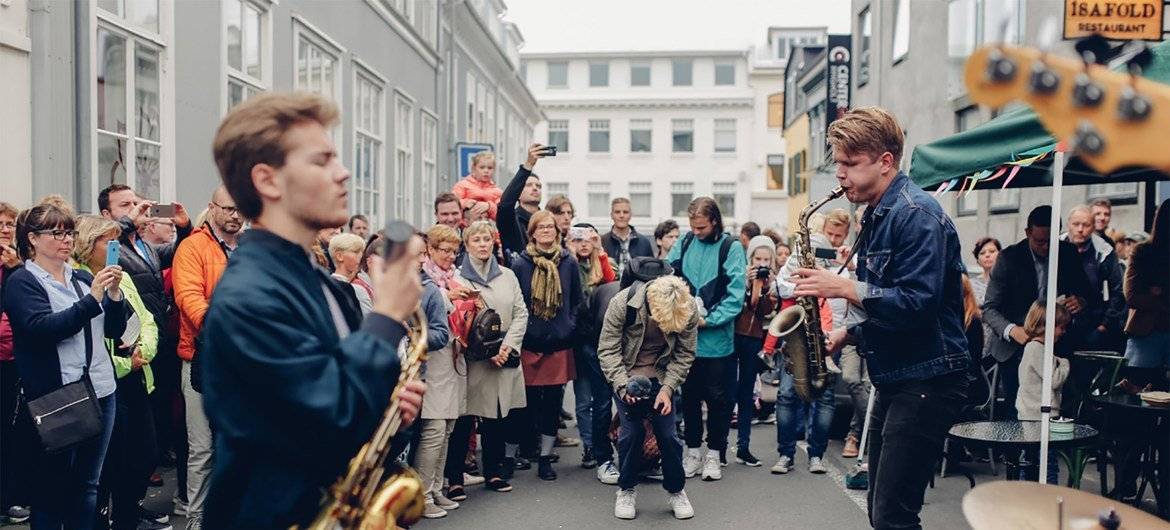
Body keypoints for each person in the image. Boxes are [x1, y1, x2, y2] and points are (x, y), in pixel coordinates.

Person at [199, 92, 425, 529]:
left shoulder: (316, 278)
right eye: (321, 162)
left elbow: (337, 397)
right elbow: (328, 417)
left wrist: (389, 407)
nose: (343, 174)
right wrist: (385, 319)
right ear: (268, 181)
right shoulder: (249, 295)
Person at [789, 107, 970, 530]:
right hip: (901, 375)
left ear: (885, 162)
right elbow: (888, 306)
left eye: (850, 163)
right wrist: (847, 334)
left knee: (893, 515)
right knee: (882, 510)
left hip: (928, 379)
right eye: (838, 162)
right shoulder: (878, 213)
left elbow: (917, 302)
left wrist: (844, 287)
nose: (839, 174)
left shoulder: (916, 214)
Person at [5, 203, 126, 530]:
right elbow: (42, 330)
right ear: (32, 238)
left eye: (69, 232)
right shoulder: (23, 281)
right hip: (58, 395)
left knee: (88, 485)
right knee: (51, 488)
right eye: (56, 233)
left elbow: (115, 332)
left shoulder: (82, 277)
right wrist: (92, 300)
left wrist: (114, 295)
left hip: (101, 389)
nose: (66, 240)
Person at [99, 184, 191, 506]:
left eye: (138, 203)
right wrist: (128, 223)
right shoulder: (109, 248)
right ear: (107, 215)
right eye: (126, 205)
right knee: (128, 445)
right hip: (125, 349)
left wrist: (184, 225)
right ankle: (122, 509)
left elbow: (177, 252)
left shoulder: (144, 246)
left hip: (153, 342)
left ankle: (133, 506)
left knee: (151, 434)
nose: (136, 209)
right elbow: (98, 241)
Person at [73, 216, 166, 530]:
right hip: (108, 381)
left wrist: (146, 350)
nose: (114, 247)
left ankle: (127, 516)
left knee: (146, 454)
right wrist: (127, 361)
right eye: (107, 241)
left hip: (138, 376)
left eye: (116, 240)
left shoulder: (121, 276)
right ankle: (103, 519)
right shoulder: (80, 278)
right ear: (88, 244)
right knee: (111, 463)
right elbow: (94, 337)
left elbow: (147, 318)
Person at [597, 274, 697, 520]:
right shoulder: (623, 303)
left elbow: (684, 354)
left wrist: (668, 389)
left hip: (662, 376)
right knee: (632, 434)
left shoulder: (688, 308)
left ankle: (676, 490)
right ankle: (626, 489)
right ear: (653, 307)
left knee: (668, 435)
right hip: (627, 373)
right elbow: (607, 350)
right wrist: (622, 386)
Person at [171, 186, 240, 530]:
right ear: (212, 208)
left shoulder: (250, 248)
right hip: (203, 358)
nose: (235, 215)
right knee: (202, 448)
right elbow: (188, 297)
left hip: (245, 363)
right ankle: (197, 518)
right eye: (228, 209)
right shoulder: (193, 246)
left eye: (240, 209)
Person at [983, 205, 1092, 420]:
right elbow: (989, 308)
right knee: (1017, 411)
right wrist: (1013, 330)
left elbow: (1089, 294)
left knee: (1060, 407)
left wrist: (1080, 301)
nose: (1044, 247)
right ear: (1028, 233)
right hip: (1013, 347)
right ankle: (1014, 452)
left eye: (1050, 242)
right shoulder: (1008, 258)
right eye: (1039, 241)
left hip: (1057, 344)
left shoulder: (1069, 254)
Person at [667, 197, 746, 482]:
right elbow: (667, 275)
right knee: (688, 399)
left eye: (701, 226)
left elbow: (736, 296)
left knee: (718, 400)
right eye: (692, 226)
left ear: (714, 221)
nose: (696, 231)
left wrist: (708, 320)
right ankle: (692, 452)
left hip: (718, 342)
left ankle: (714, 454)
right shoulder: (686, 242)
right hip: (686, 342)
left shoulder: (731, 247)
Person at [455, 221, 529, 497]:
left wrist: (507, 347)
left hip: (503, 356)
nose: (483, 244)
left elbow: (521, 313)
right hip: (473, 359)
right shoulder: (458, 278)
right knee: (465, 419)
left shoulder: (508, 275)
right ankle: (454, 478)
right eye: (476, 240)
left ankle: (494, 472)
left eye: (487, 239)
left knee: (498, 416)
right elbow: (458, 320)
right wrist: (486, 350)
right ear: (467, 244)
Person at [509, 210, 584, 481]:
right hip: (529, 343)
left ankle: (545, 459)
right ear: (532, 232)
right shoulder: (520, 263)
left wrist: (568, 327)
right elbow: (515, 303)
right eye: (540, 227)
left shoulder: (568, 262)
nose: (546, 232)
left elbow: (577, 300)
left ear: (557, 231)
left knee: (552, 404)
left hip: (558, 343)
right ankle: (521, 452)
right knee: (524, 404)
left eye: (550, 227)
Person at [771, 229, 840, 475]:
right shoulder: (793, 265)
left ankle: (816, 455)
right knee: (787, 396)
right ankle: (785, 454)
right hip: (800, 336)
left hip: (828, 337)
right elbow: (777, 288)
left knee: (824, 398)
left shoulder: (836, 268)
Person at [413, 226, 459, 520]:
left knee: (446, 429)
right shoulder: (427, 285)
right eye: (444, 249)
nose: (450, 255)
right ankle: (422, 494)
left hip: (450, 362)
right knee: (433, 430)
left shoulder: (449, 279)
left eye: (454, 251)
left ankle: (436, 487)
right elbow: (437, 329)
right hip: (430, 364)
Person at [566, 225, 618, 471]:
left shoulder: (604, 261)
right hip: (580, 339)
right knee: (583, 398)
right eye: (578, 238)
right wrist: (569, 253)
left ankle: (600, 444)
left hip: (602, 338)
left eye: (589, 238)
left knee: (602, 399)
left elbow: (611, 285)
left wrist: (600, 250)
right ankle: (589, 444)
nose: (584, 243)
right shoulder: (567, 263)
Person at [0, 201, 34, 525]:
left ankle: (9, 497)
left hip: (12, 358)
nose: (6, 231)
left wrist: (16, 267)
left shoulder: (17, 266)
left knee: (10, 432)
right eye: (0, 225)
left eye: (10, 225)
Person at [1015, 300, 1071, 484]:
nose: (1063, 332)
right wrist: (1065, 364)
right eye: (1060, 327)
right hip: (1039, 415)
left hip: (1030, 413)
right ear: (1044, 326)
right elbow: (1054, 380)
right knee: (1047, 462)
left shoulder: (1034, 348)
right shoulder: (1038, 349)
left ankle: (1028, 494)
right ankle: (1046, 497)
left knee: (1031, 459)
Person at [1061, 205, 1125, 352]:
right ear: (1068, 225)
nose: (1080, 229)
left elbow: (1118, 291)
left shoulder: (1104, 250)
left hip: (1092, 325)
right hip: (1058, 325)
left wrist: (1104, 325)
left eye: (1086, 225)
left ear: (1093, 227)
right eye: (1076, 224)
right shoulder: (1055, 246)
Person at [1122, 198, 1169, 383]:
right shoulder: (1143, 252)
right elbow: (1132, 296)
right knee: (1136, 391)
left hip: (1152, 332)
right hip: (1146, 333)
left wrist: (1157, 293)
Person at [497, 144, 547, 256]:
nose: (535, 188)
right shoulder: (511, 220)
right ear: (518, 193)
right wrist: (528, 166)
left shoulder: (547, 220)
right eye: (528, 185)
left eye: (538, 186)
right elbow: (505, 205)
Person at [601, 198, 656, 279]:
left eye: (625, 212)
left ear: (630, 215)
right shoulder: (603, 241)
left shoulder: (644, 242)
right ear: (611, 215)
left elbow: (651, 270)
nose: (621, 215)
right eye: (617, 212)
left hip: (637, 288)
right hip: (610, 289)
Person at [329, 233, 374, 316]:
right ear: (339, 256)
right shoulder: (358, 289)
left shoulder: (326, 284)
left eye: (361, 252)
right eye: (355, 252)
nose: (360, 256)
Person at [452, 151, 504, 222]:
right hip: (465, 228)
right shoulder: (462, 185)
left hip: (488, 229)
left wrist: (489, 206)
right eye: (482, 167)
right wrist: (465, 203)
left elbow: (503, 214)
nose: (486, 171)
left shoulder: (497, 192)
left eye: (490, 168)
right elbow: (452, 205)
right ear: (474, 168)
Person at [969, 237, 1001, 305]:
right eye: (982, 253)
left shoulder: (1010, 282)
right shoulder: (971, 285)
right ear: (978, 260)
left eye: (992, 251)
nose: (987, 255)